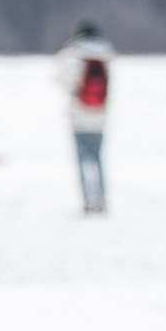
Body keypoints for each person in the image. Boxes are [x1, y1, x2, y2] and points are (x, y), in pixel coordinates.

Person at [54, 18, 113, 212]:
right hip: (99, 119)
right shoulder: (106, 56)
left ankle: (87, 201)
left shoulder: (73, 57)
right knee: (98, 161)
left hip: (78, 119)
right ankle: (102, 200)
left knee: (82, 163)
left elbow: (61, 80)